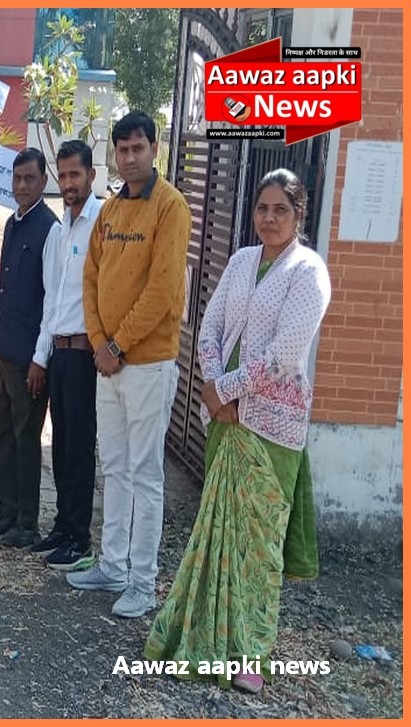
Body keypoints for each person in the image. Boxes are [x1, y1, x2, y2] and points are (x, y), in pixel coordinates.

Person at [143, 169, 329, 694]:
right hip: (223, 413)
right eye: (262, 209)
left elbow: (285, 353)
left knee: (258, 546)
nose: (269, 219)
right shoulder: (243, 261)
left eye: (281, 210)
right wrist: (210, 382)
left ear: (300, 215)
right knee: (218, 533)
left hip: (271, 425)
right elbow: (210, 325)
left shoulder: (308, 272)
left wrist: (229, 390)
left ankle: (250, 653)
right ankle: (199, 635)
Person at [68, 111, 191, 618]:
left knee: (145, 474)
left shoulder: (171, 207)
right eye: (122, 149)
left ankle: (143, 581)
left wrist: (117, 345)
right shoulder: (112, 210)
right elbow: (91, 277)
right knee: (115, 468)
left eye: (138, 147)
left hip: (146, 364)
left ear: (154, 149)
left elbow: (163, 289)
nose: (130, 157)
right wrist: (101, 341)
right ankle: (112, 565)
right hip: (110, 364)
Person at [29, 139, 104, 571]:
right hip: (58, 352)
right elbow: (52, 298)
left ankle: (79, 538)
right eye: (64, 175)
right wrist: (42, 354)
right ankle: (62, 526)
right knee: (59, 446)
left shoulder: (100, 224)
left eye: (76, 174)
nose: (69, 182)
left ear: (91, 176)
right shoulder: (62, 230)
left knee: (79, 447)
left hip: (83, 353)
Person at [0, 148, 61, 548]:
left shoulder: (51, 229)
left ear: (44, 182)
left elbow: (53, 300)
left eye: (30, 179)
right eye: (17, 179)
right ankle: (7, 514)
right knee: (4, 438)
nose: (22, 186)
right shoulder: (11, 224)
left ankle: (28, 523)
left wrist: (40, 359)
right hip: (5, 351)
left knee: (27, 437)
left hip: (31, 358)